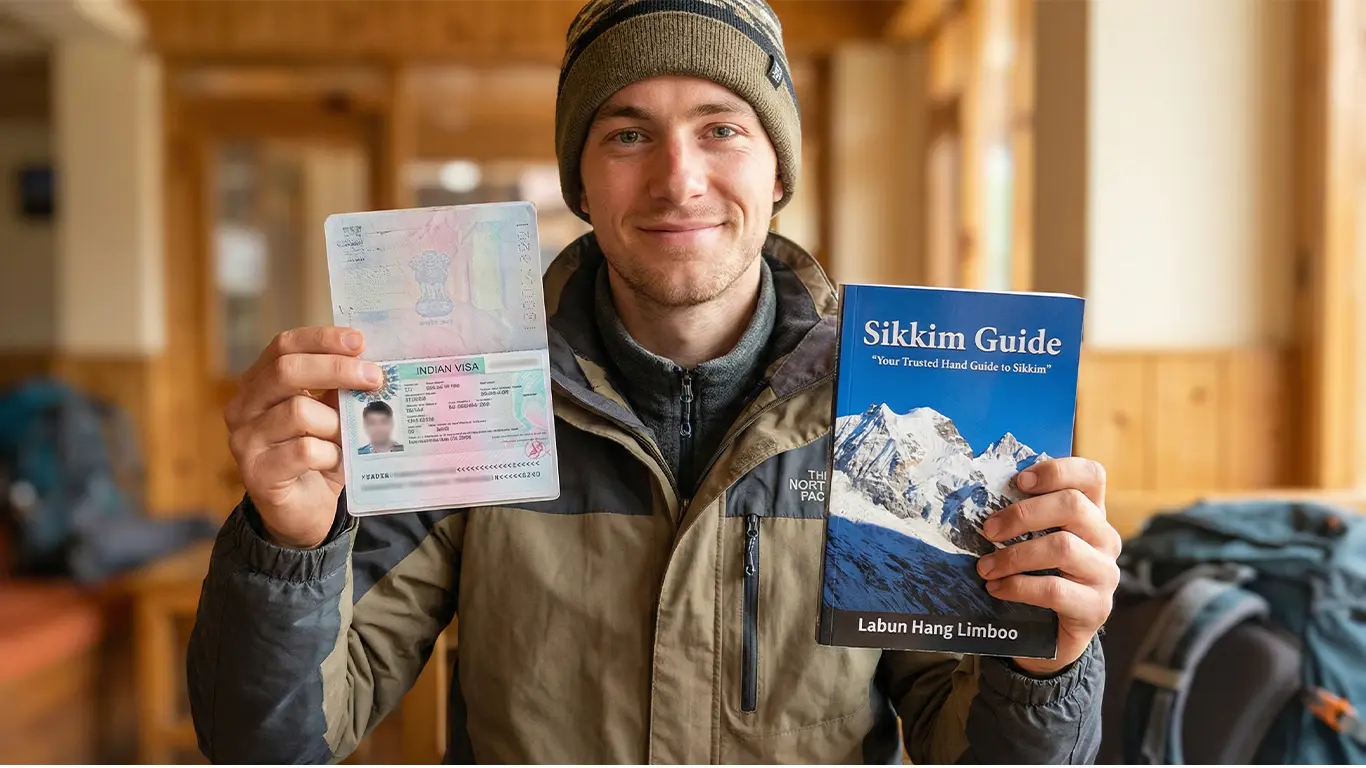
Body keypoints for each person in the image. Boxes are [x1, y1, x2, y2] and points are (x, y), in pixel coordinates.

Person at [187, 0, 1120, 763]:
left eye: (722, 129)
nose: (680, 179)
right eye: (629, 134)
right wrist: (288, 548)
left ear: (777, 172)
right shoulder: (463, 394)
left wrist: (1050, 663)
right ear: (581, 182)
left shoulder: (883, 406)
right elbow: (266, 746)